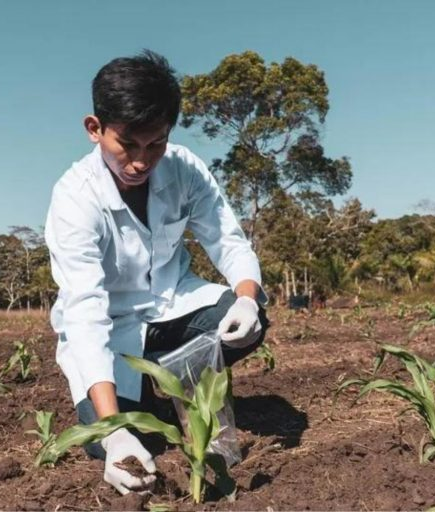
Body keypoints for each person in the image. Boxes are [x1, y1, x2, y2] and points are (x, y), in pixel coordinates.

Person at [44, 49, 269, 495]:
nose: (140, 162)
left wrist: (247, 298)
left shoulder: (184, 169)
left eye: (155, 145)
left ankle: (177, 383)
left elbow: (227, 241)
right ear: (94, 128)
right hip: (113, 330)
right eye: (127, 144)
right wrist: (113, 431)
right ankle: (145, 399)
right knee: (112, 442)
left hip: (172, 310)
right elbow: (86, 313)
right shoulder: (75, 199)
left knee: (248, 321)